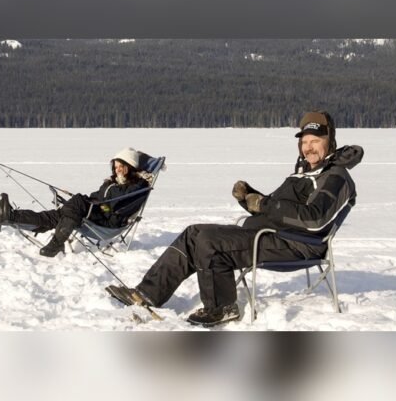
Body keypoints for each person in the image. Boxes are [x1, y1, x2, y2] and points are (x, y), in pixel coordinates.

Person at [106, 111, 364, 327]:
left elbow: (315, 219)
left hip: (296, 244)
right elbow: (276, 208)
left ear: (329, 141)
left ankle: (222, 306)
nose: (309, 147)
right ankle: (146, 293)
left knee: (209, 241)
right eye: (305, 141)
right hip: (270, 235)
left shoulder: (336, 176)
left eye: (315, 140)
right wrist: (250, 197)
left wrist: (264, 203)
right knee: (193, 232)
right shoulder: (303, 173)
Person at [0, 148, 151, 257]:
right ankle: (12, 216)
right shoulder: (113, 182)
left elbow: (114, 202)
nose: (117, 170)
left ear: (131, 166)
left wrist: (93, 199)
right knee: (56, 215)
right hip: (97, 211)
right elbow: (99, 196)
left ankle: (57, 242)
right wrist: (91, 199)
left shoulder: (139, 186)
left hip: (109, 221)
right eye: (115, 167)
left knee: (75, 204)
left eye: (121, 166)